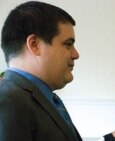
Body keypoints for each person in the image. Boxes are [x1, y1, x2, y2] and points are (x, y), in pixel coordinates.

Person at [0, 1, 82, 141]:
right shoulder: (7, 101)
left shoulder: (42, 98)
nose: (76, 54)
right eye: (68, 44)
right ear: (34, 45)